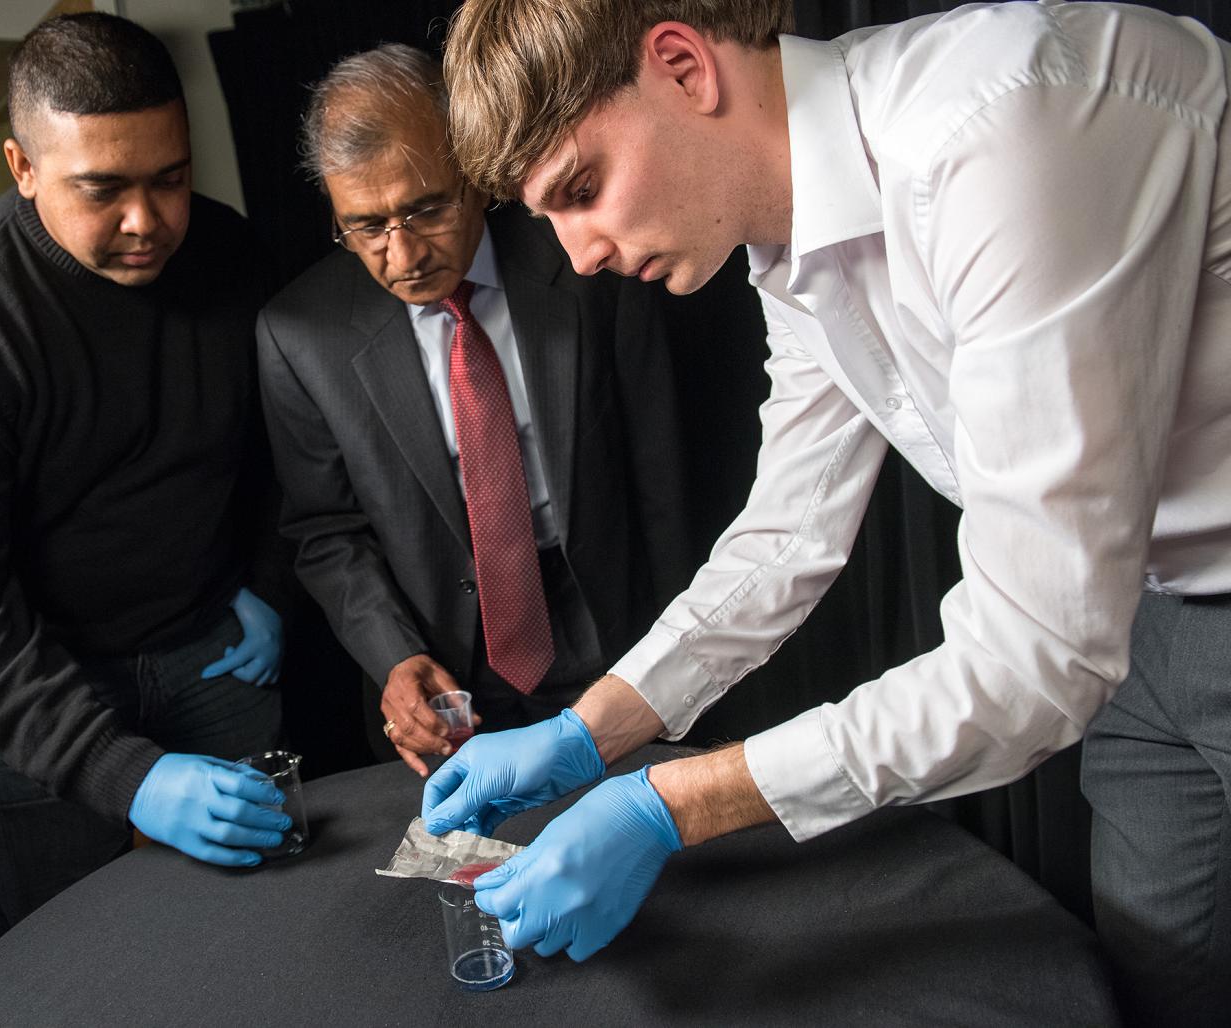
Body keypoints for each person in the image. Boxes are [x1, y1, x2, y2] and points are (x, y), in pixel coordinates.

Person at [422, 1, 1231, 1021]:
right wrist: (592, 730)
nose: (577, 254)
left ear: (681, 65)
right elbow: (789, 534)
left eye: (581, 189)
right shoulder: (789, 230)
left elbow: (1035, 656)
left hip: (1122, 618)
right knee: (1161, 982)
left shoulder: (1001, 127)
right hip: (1138, 618)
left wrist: (672, 803)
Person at [0, 12, 294, 936]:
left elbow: (285, 444)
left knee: (276, 912)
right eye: (103, 190)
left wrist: (266, 583)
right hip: (31, 684)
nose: (147, 222)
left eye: (170, 179)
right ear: (21, 169)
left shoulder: (229, 253)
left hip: (211, 647)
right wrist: (124, 773)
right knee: (62, 948)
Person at [257, 44, 690, 777]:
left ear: (476, 176)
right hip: (446, 669)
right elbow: (326, 532)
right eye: (365, 226)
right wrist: (395, 656)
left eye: (426, 209)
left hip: (618, 627)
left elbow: (663, 465)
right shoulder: (299, 334)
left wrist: (685, 648)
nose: (403, 256)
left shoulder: (588, 262)